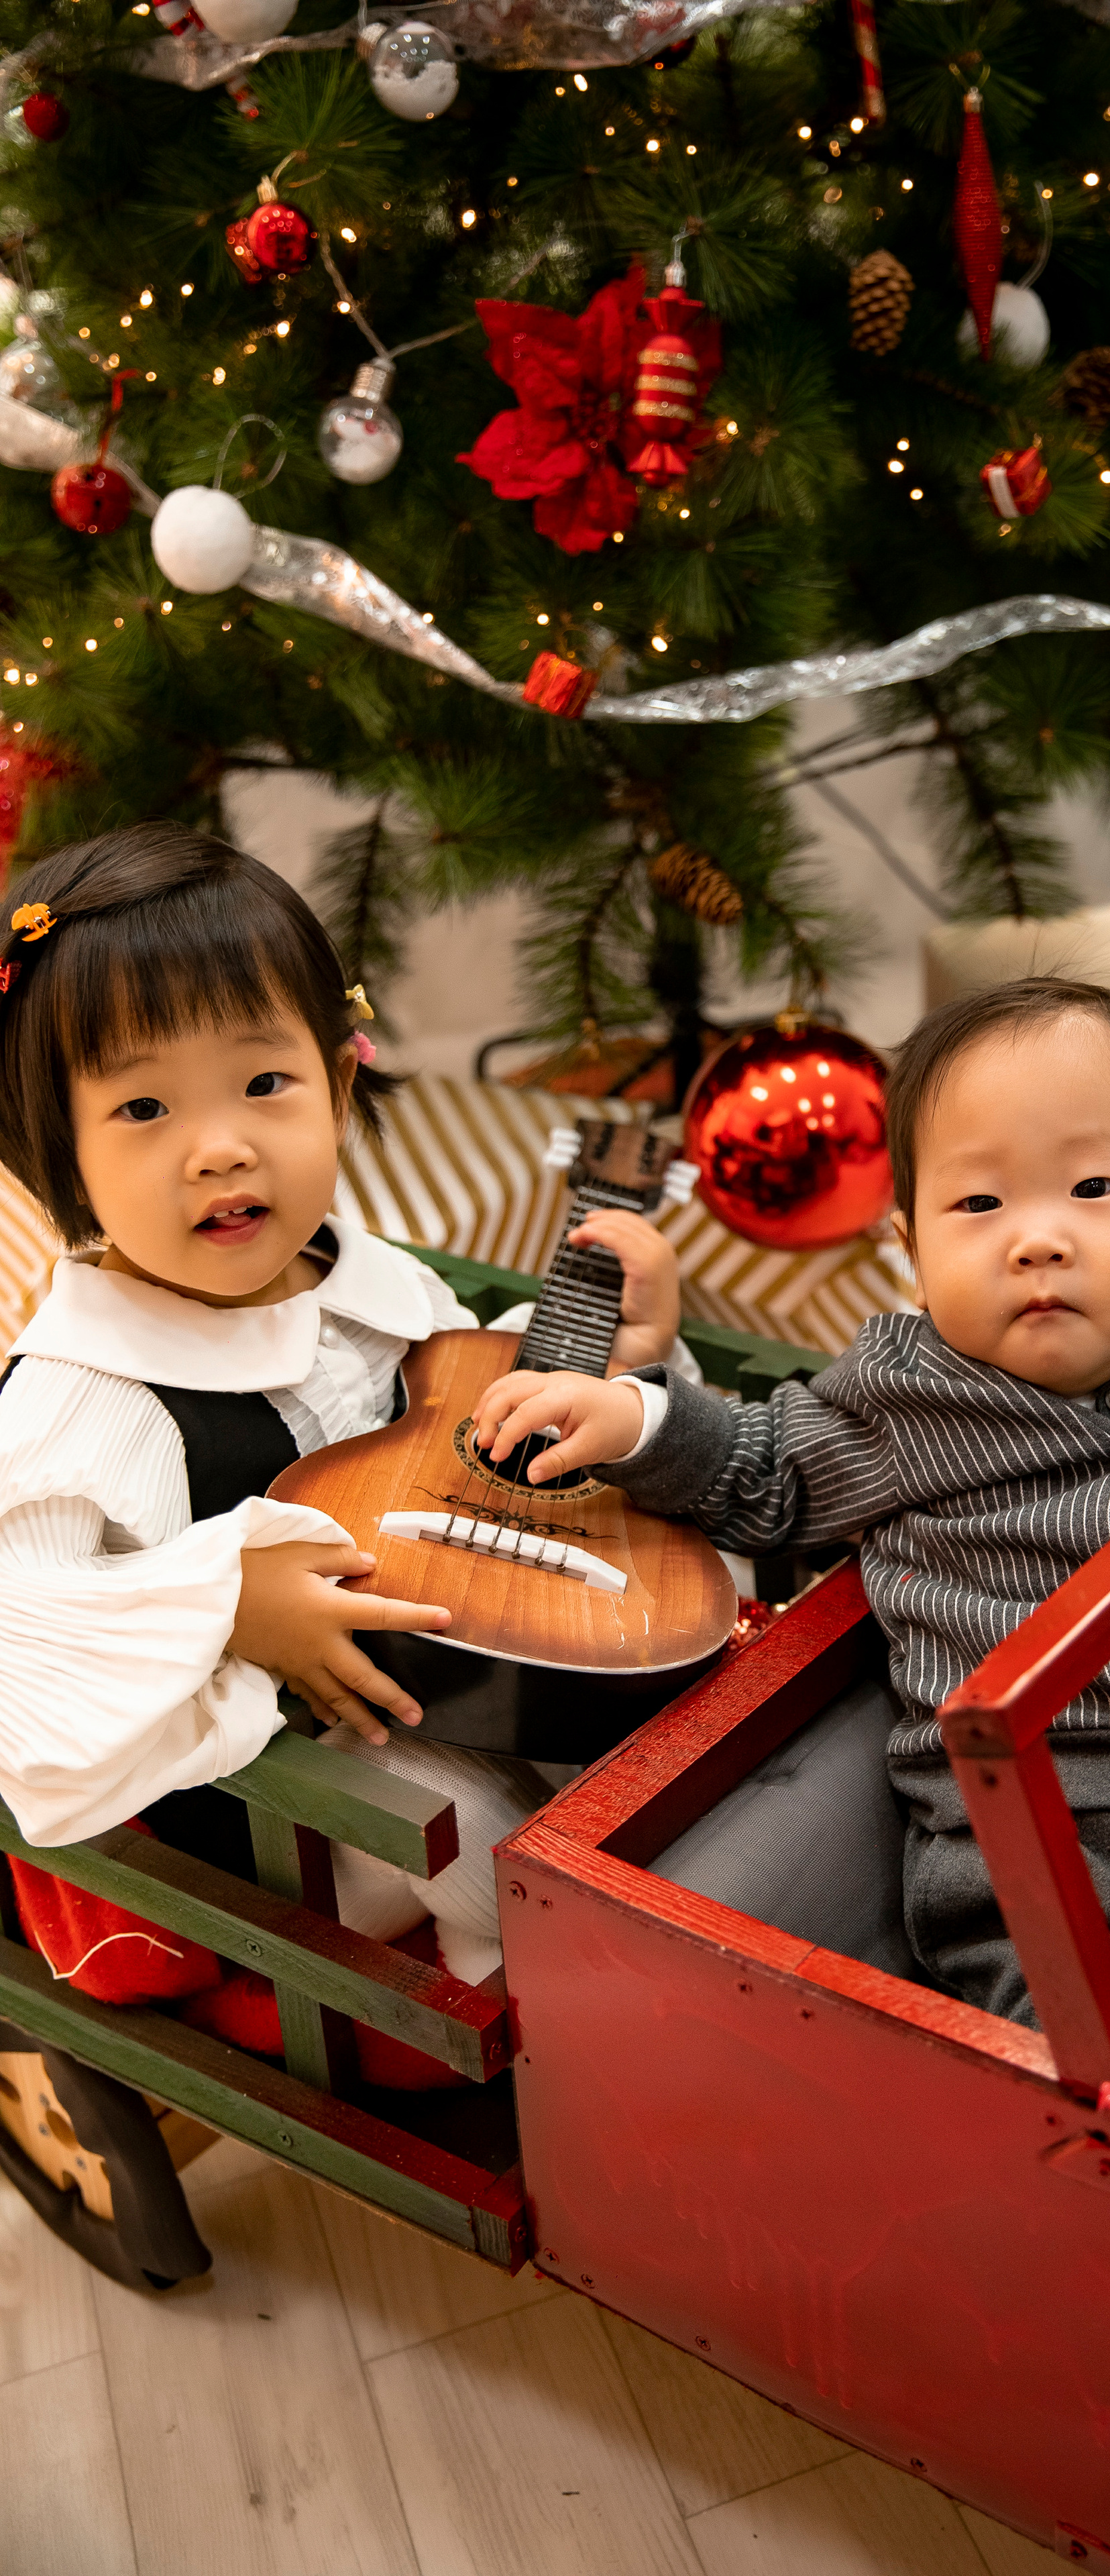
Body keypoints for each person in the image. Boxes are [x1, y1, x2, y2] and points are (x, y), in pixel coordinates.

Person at [473, 976, 1110, 2031]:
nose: (1037, 1240)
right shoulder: (908, 1398)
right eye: (979, 1205)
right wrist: (637, 1419)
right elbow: (768, 1468)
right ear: (914, 1255)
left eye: (1094, 1187)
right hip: (1056, 1847)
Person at [0, 824, 683, 2277]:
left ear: (341, 1079)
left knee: (654, 1696)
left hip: (446, 1663)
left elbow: (453, 1416)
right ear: (59, 1149)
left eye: (265, 1084)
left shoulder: (366, 1285)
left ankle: (687, 1929)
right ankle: (549, 2031)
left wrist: (594, 1370)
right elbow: (22, 1634)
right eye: (144, 1110)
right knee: (482, 1829)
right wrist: (219, 1606)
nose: (222, 1145)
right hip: (276, 1795)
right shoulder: (78, 1402)